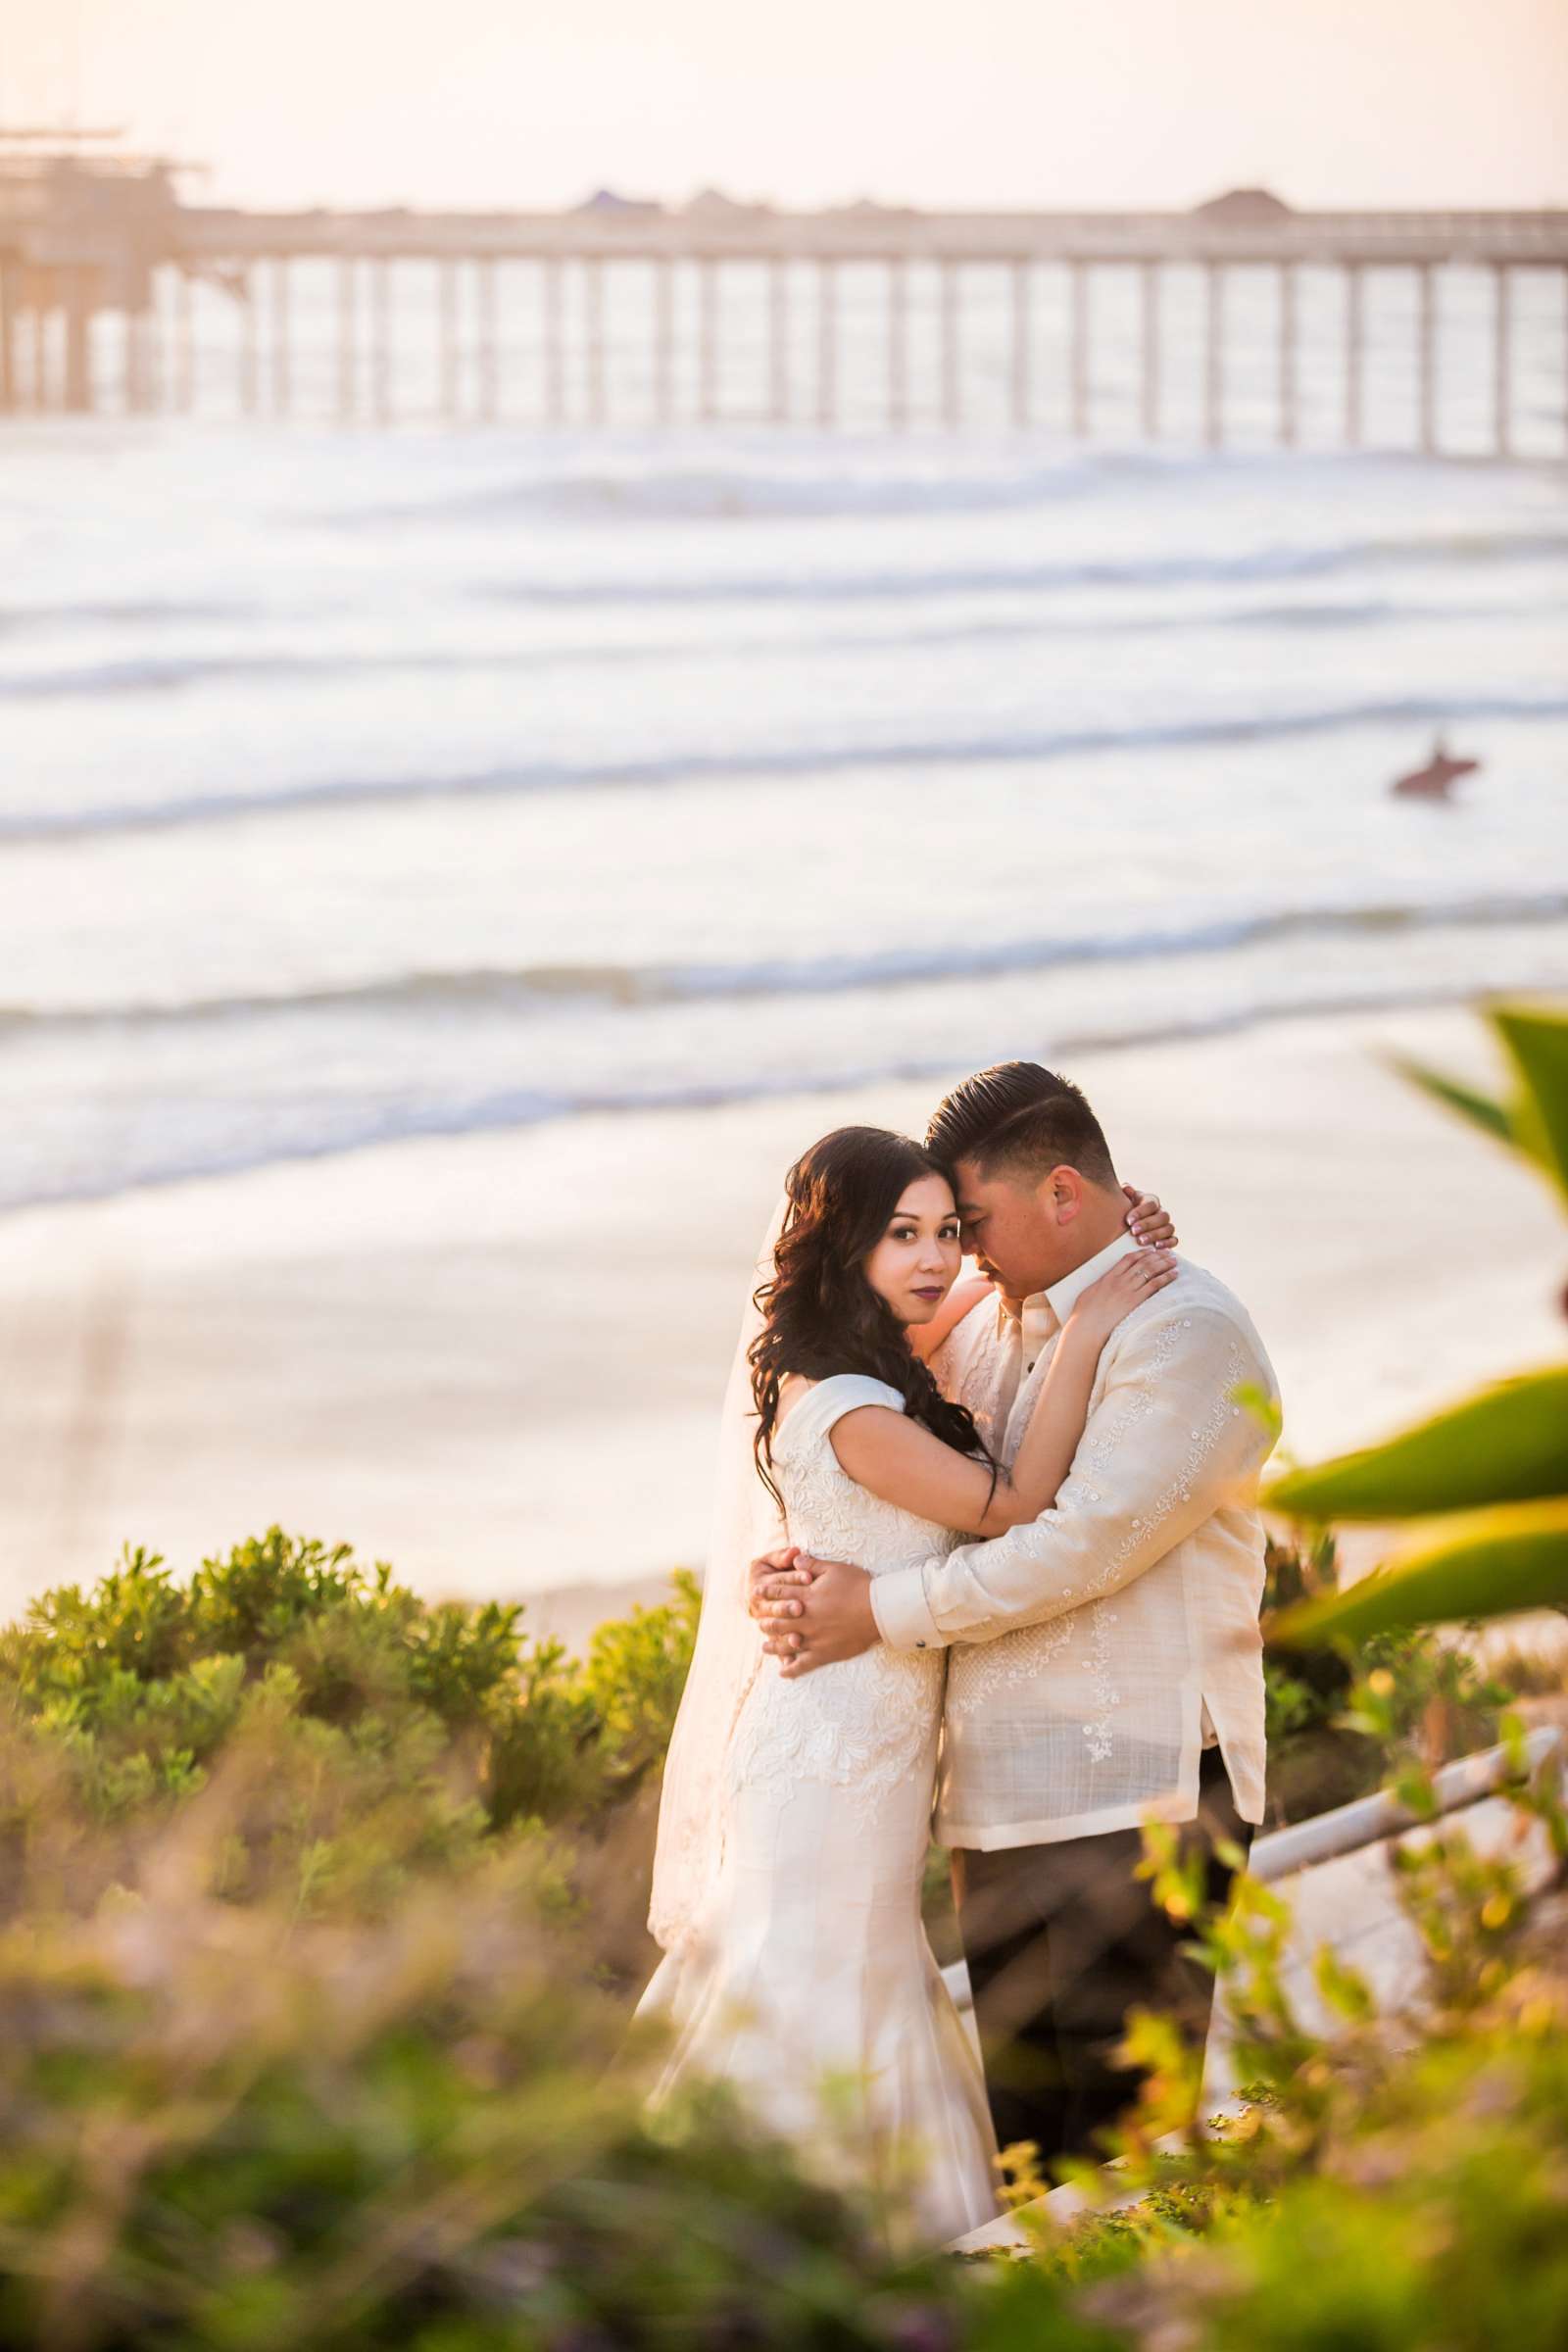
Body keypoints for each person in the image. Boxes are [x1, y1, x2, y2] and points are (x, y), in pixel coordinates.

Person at [636, 1123, 1177, 2249]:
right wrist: (1092, 1322)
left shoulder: (872, 1357)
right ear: (843, 1244)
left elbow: (978, 1307)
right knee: (811, 1968)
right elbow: (1017, 1502)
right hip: (825, 1747)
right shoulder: (847, 1403)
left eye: (947, 1232)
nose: (934, 1261)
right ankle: (778, 2238)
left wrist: (1104, 1241)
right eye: (901, 1235)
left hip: (872, 1742)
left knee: (867, 1960)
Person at [750, 1064, 1279, 2174]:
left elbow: (1071, 1549)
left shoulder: (1189, 1336)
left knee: (1129, 2154)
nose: (958, 1253)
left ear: (1062, 1194)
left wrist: (873, 1611)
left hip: (1139, 1794)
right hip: (991, 1801)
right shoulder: (981, 1321)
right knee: (1030, 2151)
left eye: (971, 1222)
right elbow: (853, 1425)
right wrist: (802, 1565)